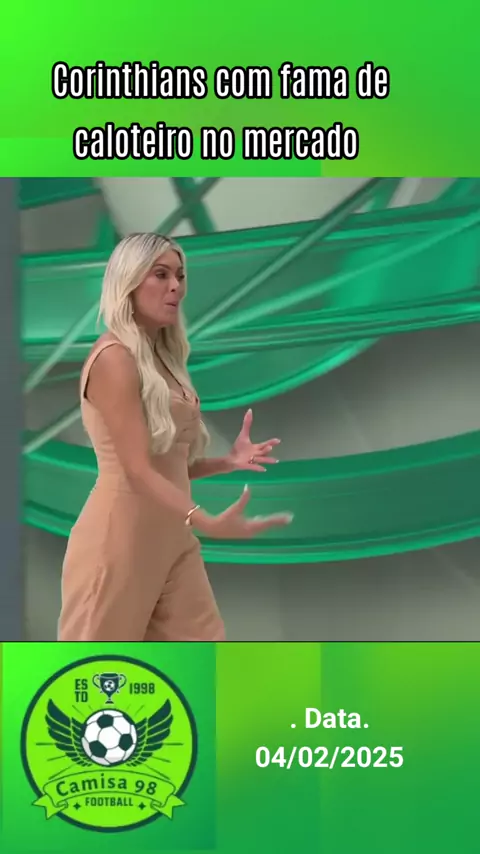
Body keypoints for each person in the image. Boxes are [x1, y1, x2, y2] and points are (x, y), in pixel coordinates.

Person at [58, 232, 293, 642]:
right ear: (129, 281)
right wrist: (207, 521)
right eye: (161, 275)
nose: (176, 287)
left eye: (180, 276)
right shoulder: (114, 358)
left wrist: (227, 462)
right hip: (121, 540)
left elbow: (167, 465)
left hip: (172, 539)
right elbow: (136, 469)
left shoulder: (161, 358)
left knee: (204, 657)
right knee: (98, 670)